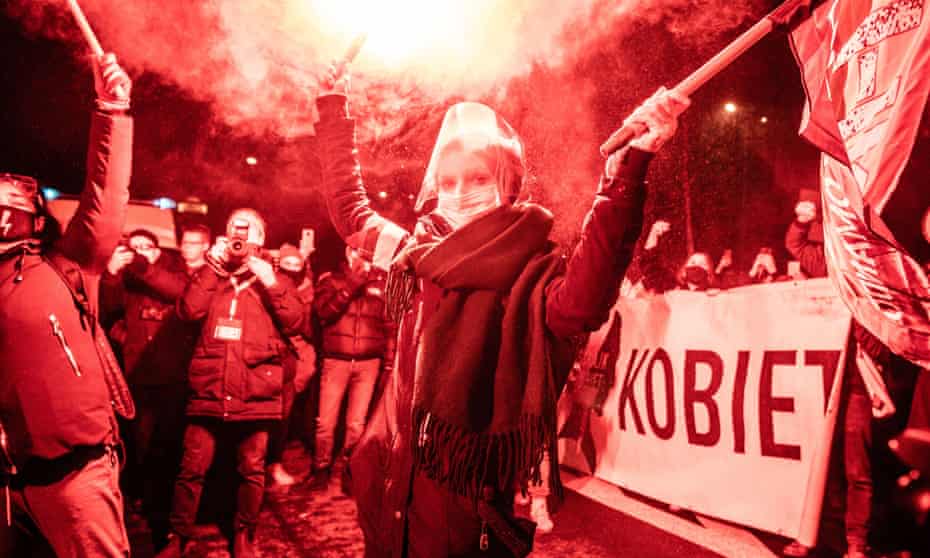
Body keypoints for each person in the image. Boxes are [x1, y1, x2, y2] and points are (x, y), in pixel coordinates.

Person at [314, 61, 688, 557]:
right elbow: (350, 212)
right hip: (388, 499)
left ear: (507, 184)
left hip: (463, 515)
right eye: (448, 182)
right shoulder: (413, 254)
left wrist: (627, 171)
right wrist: (333, 108)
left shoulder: (529, 271)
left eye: (477, 178)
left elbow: (582, 304)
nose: (459, 193)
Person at [0, 53, 134, 557]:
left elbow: (104, 200)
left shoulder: (65, 264)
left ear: (32, 219)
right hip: (7, 483)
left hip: (74, 475)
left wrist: (111, 111)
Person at [157, 209, 304, 558]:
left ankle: (243, 534)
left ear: (261, 240)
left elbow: (296, 321)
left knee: (251, 469)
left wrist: (270, 280)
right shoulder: (210, 273)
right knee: (191, 468)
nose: (240, 239)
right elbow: (188, 310)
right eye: (234, 231)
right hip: (209, 387)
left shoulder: (275, 278)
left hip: (256, 389)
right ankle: (177, 536)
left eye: (248, 232)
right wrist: (212, 267)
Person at [784, 198, 920, 558]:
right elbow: (797, 246)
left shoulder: (884, 283)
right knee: (816, 462)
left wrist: (862, 328)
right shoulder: (832, 264)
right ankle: (807, 535)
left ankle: (856, 543)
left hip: (859, 385)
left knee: (856, 467)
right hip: (823, 383)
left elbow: (892, 340)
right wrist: (802, 220)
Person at [99, 228, 198, 549]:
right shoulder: (126, 280)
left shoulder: (172, 271)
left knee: (171, 446)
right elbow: (106, 311)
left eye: (147, 246)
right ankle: (147, 503)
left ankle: (167, 510)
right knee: (141, 445)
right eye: (135, 247)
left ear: (158, 250)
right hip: (139, 377)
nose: (139, 251)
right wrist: (112, 273)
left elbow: (180, 293)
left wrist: (148, 266)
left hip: (174, 378)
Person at [309, 245, 393, 493]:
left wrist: (388, 359)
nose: (363, 258)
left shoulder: (382, 284)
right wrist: (352, 284)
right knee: (326, 423)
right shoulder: (331, 281)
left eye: (367, 253)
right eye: (358, 252)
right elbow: (324, 313)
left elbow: (389, 324)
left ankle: (350, 472)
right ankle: (321, 469)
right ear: (347, 253)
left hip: (368, 363)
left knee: (356, 424)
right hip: (337, 360)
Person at [266, 242, 317, 488]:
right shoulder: (270, 286)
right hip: (271, 356)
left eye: (297, 264)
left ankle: (274, 465)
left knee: (282, 417)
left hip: (295, 360)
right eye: (287, 263)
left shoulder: (308, 291)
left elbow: (307, 328)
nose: (292, 269)